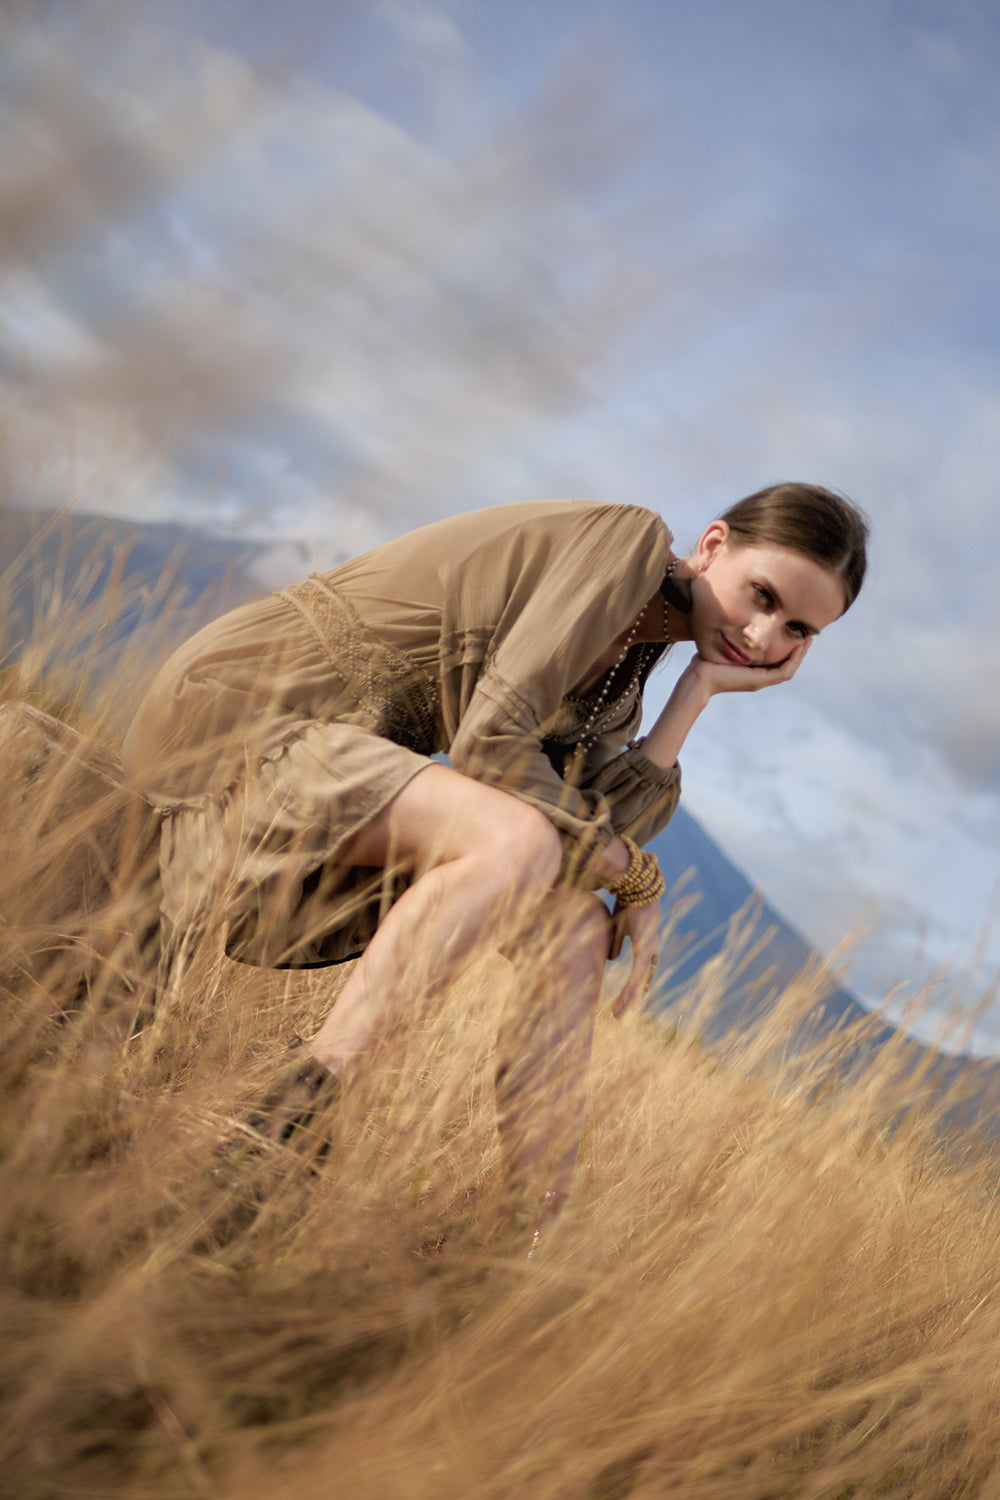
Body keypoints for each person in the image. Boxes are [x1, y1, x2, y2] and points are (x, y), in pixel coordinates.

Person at [122, 484, 868, 1229]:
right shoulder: (624, 544)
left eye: (797, 629)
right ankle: (290, 1120)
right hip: (246, 713)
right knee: (517, 840)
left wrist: (696, 693)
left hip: (335, 769)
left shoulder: (632, 677)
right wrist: (631, 874)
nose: (765, 637)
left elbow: (596, 835)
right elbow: (491, 745)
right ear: (711, 547)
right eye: (761, 595)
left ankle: (526, 1222)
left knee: (574, 923)